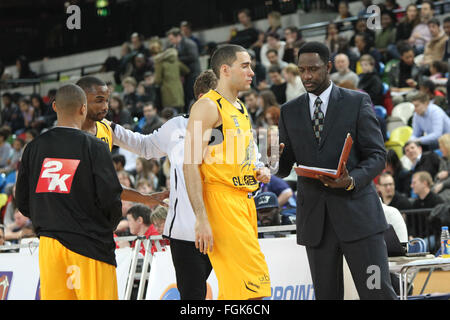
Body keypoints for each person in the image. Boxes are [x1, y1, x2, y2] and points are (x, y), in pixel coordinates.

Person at [277, 41, 397, 300]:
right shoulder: (288, 111)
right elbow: (285, 166)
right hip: (316, 223)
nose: (307, 76)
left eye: (313, 69)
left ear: (329, 66)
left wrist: (352, 180)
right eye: (302, 70)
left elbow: (377, 155)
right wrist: (272, 162)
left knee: (377, 293)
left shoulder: (356, 101)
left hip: (359, 218)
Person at [110, 70, 218, 300]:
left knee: (235, 295)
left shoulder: (236, 126)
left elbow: (253, 165)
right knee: (192, 297)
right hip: (186, 232)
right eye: (220, 98)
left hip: (227, 227)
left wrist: (265, 168)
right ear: (202, 99)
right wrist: (111, 129)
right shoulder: (177, 126)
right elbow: (146, 146)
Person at [15, 84, 123, 300]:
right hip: (89, 244)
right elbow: (111, 199)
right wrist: (104, 227)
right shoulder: (95, 147)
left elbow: (22, 201)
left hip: (49, 246)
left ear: (54, 106)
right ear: (83, 109)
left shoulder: (33, 147)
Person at [184, 44, 272, 300]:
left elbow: (234, 156)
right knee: (253, 289)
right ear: (225, 70)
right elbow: (189, 163)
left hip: (245, 200)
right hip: (221, 201)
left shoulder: (241, 108)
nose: (252, 72)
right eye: (245, 66)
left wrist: (257, 170)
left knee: (238, 290)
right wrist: (200, 217)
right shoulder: (207, 107)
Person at [166, 27, 201, 110]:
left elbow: (193, 57)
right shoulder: (173, 46)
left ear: (178, 36)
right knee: (186, 97)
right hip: (183, 75)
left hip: (193, 74)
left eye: (172, 39)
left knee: (192, 95)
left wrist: (177, 59)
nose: (171, 41)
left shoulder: (190, 44)